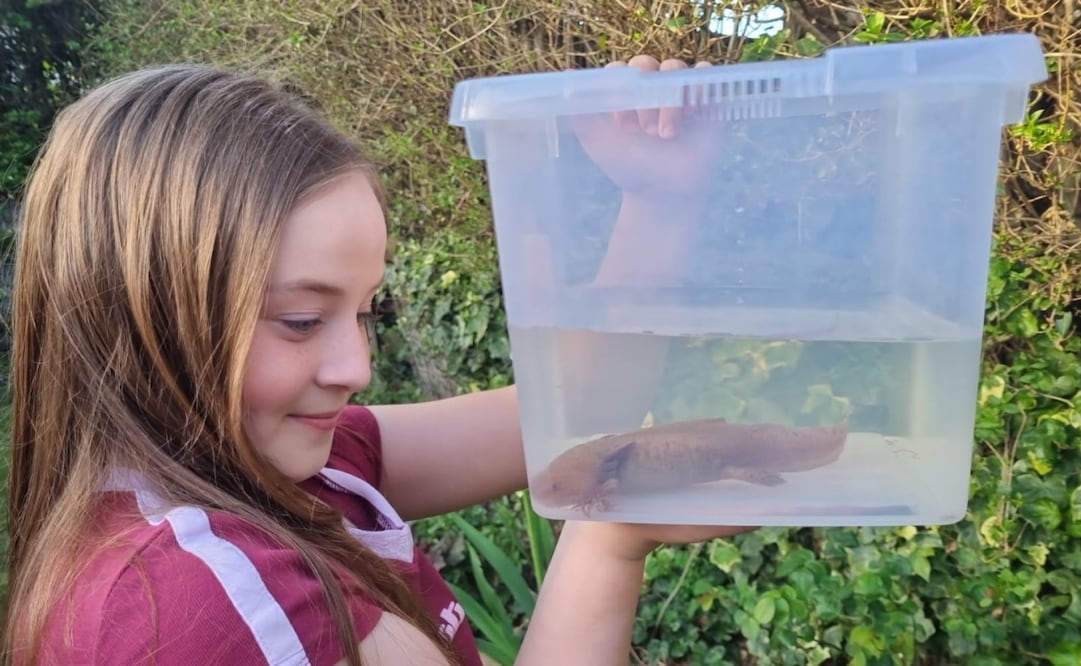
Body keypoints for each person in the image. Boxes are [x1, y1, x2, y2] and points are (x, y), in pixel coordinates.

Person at [2, 54, 749, 666]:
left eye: (365, 311)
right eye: (301, 320)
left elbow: (578, 408)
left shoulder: (284, 468)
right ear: (143, 314)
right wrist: (607, 540)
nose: (355, 366)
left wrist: (657, 202)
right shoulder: (202, 606)